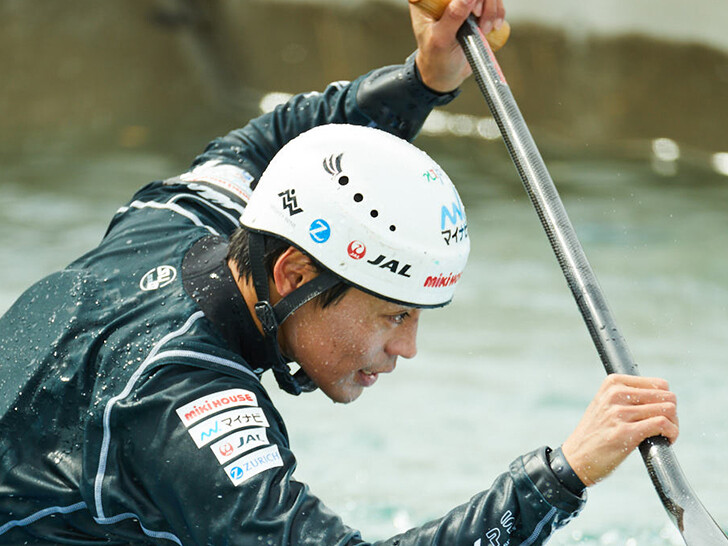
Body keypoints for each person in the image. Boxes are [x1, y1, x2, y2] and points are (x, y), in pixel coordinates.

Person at [0, 0, 678, 544]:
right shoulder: (184, 410)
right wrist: (562, 475)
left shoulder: (182, 215)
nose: (407, 349)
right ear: (294, 274)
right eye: (394, 314)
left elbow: (276, 139)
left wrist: (425, 78)